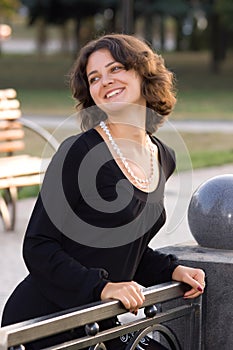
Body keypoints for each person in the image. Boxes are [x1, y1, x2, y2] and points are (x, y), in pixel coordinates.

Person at [1, 34, 205, 349]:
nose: (105, 81)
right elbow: (38, 246)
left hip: (98, 320)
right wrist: (102, 287)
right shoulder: (77, 153)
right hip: (47, 322)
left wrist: (172, 269)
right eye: (94, 77)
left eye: (115, 69)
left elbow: (125, 249)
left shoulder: (163, 156)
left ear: (142, 73)